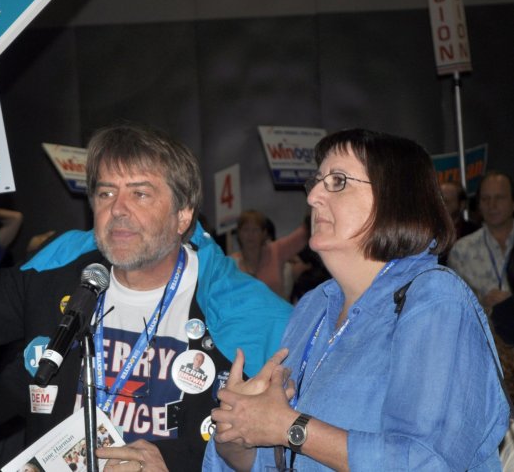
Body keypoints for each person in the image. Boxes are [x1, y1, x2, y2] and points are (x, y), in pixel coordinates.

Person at [0, 123, 293, 471]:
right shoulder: (62, 272)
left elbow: (283, 448)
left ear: (183, 215)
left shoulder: (240, 309)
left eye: (140, 193)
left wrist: (174, 465)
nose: (118, 208)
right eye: (106, 193)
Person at [205, 129, 510, 471]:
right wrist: (237, 430)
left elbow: (427, 460)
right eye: (316, 182)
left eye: (337, 181)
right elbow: (274, 457)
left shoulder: (434, 300)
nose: (313, 196)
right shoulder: (314, 306)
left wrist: (290, 426)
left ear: (394, 199)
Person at [448, 171, 514, 311]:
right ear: (479, 205)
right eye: (485, 199)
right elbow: (455, 306)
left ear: (512, 202)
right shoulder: (461, 251)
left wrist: (510, 302)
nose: (492, 205)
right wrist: (481, 304)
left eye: (499, 198)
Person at [231, 210, 308, 298]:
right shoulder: (231, 264)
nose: (250, 234)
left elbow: (303, 233)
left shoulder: (276, 251)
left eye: (255, 230)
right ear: (238, 233)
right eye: (246, 230)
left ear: (264, 233)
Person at [438, 181, 479, 265]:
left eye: (446, 201)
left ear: (462, 205)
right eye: (439, 201)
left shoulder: (474, 232)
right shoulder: (428, 234)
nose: (442, 205)